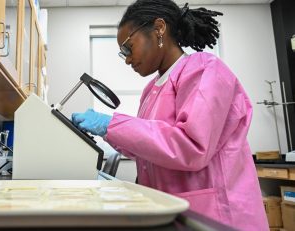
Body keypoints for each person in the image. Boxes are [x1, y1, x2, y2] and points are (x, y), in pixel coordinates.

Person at [71, 0, 268, 230]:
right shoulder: (151, 90)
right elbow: (151, 146)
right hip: (173, 212)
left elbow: (191, 147)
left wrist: (111, 124)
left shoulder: (206, 70)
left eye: (128, 47)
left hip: (217, 217)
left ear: (159, 28)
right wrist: (106, 131)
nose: (127, 59)